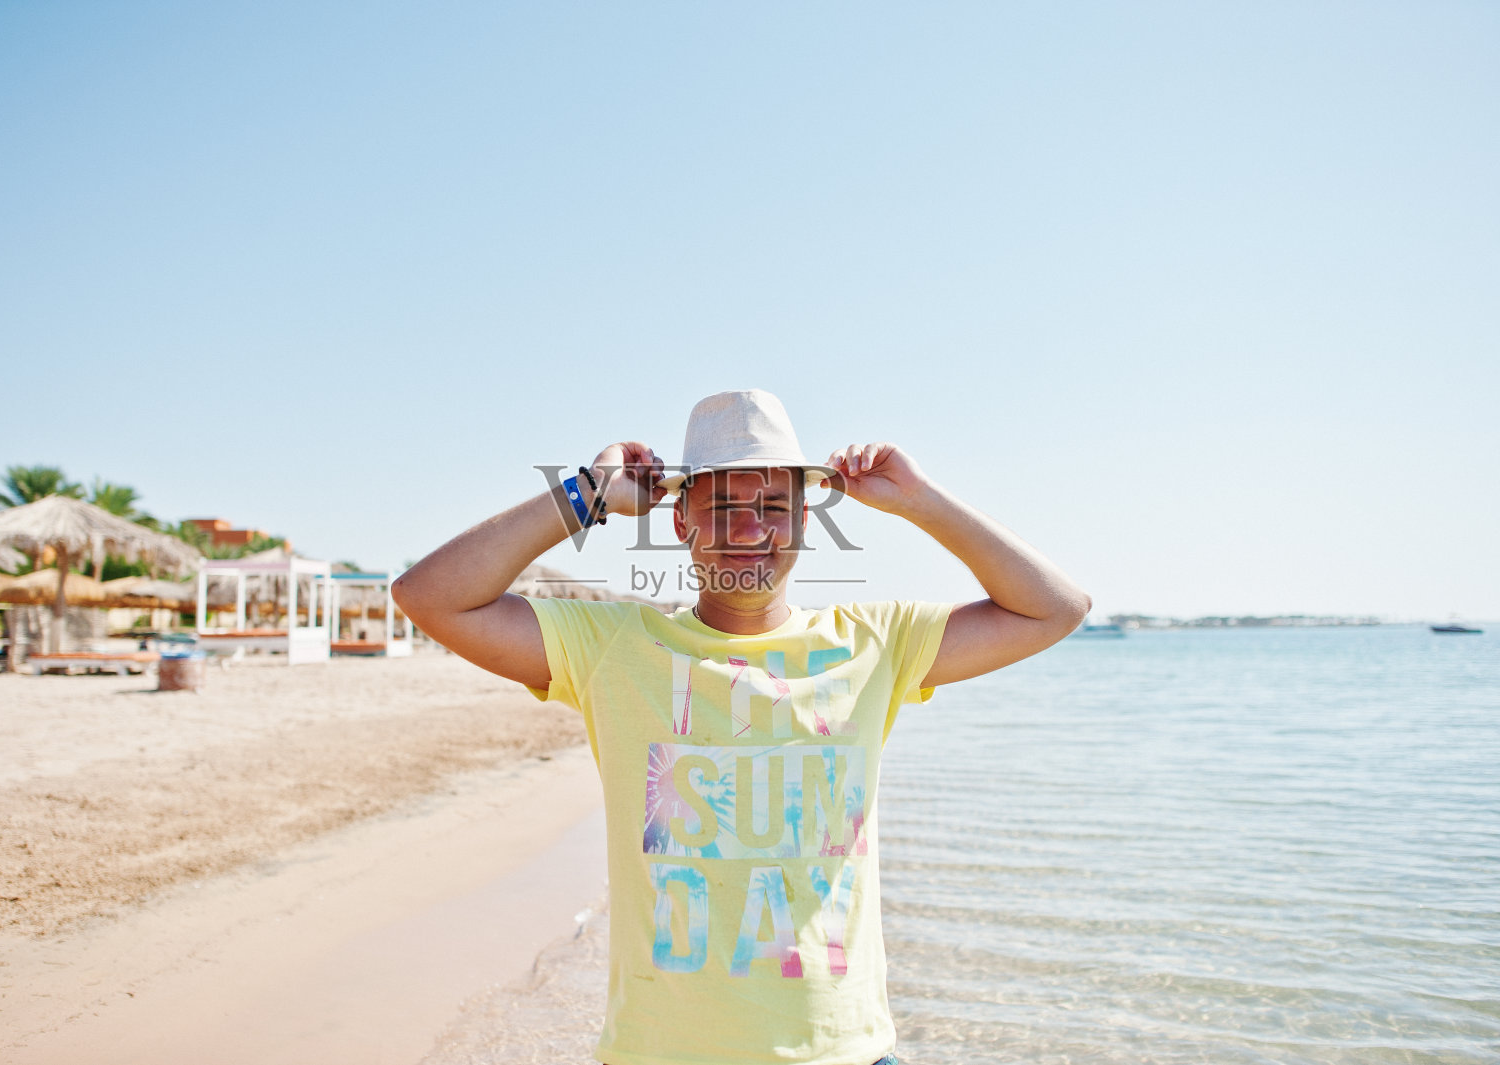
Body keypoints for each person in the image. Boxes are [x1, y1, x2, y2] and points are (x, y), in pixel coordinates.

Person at [392, 389, 1089, 1065]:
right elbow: (430, 597)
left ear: (805, 524)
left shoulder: (876, 642)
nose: (749, 530)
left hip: (842, 1053)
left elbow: (1055, 608)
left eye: (773, 507)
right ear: (678, 523)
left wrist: (923, 502)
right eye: (722, 506)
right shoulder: (616, 646)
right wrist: (589, 490)